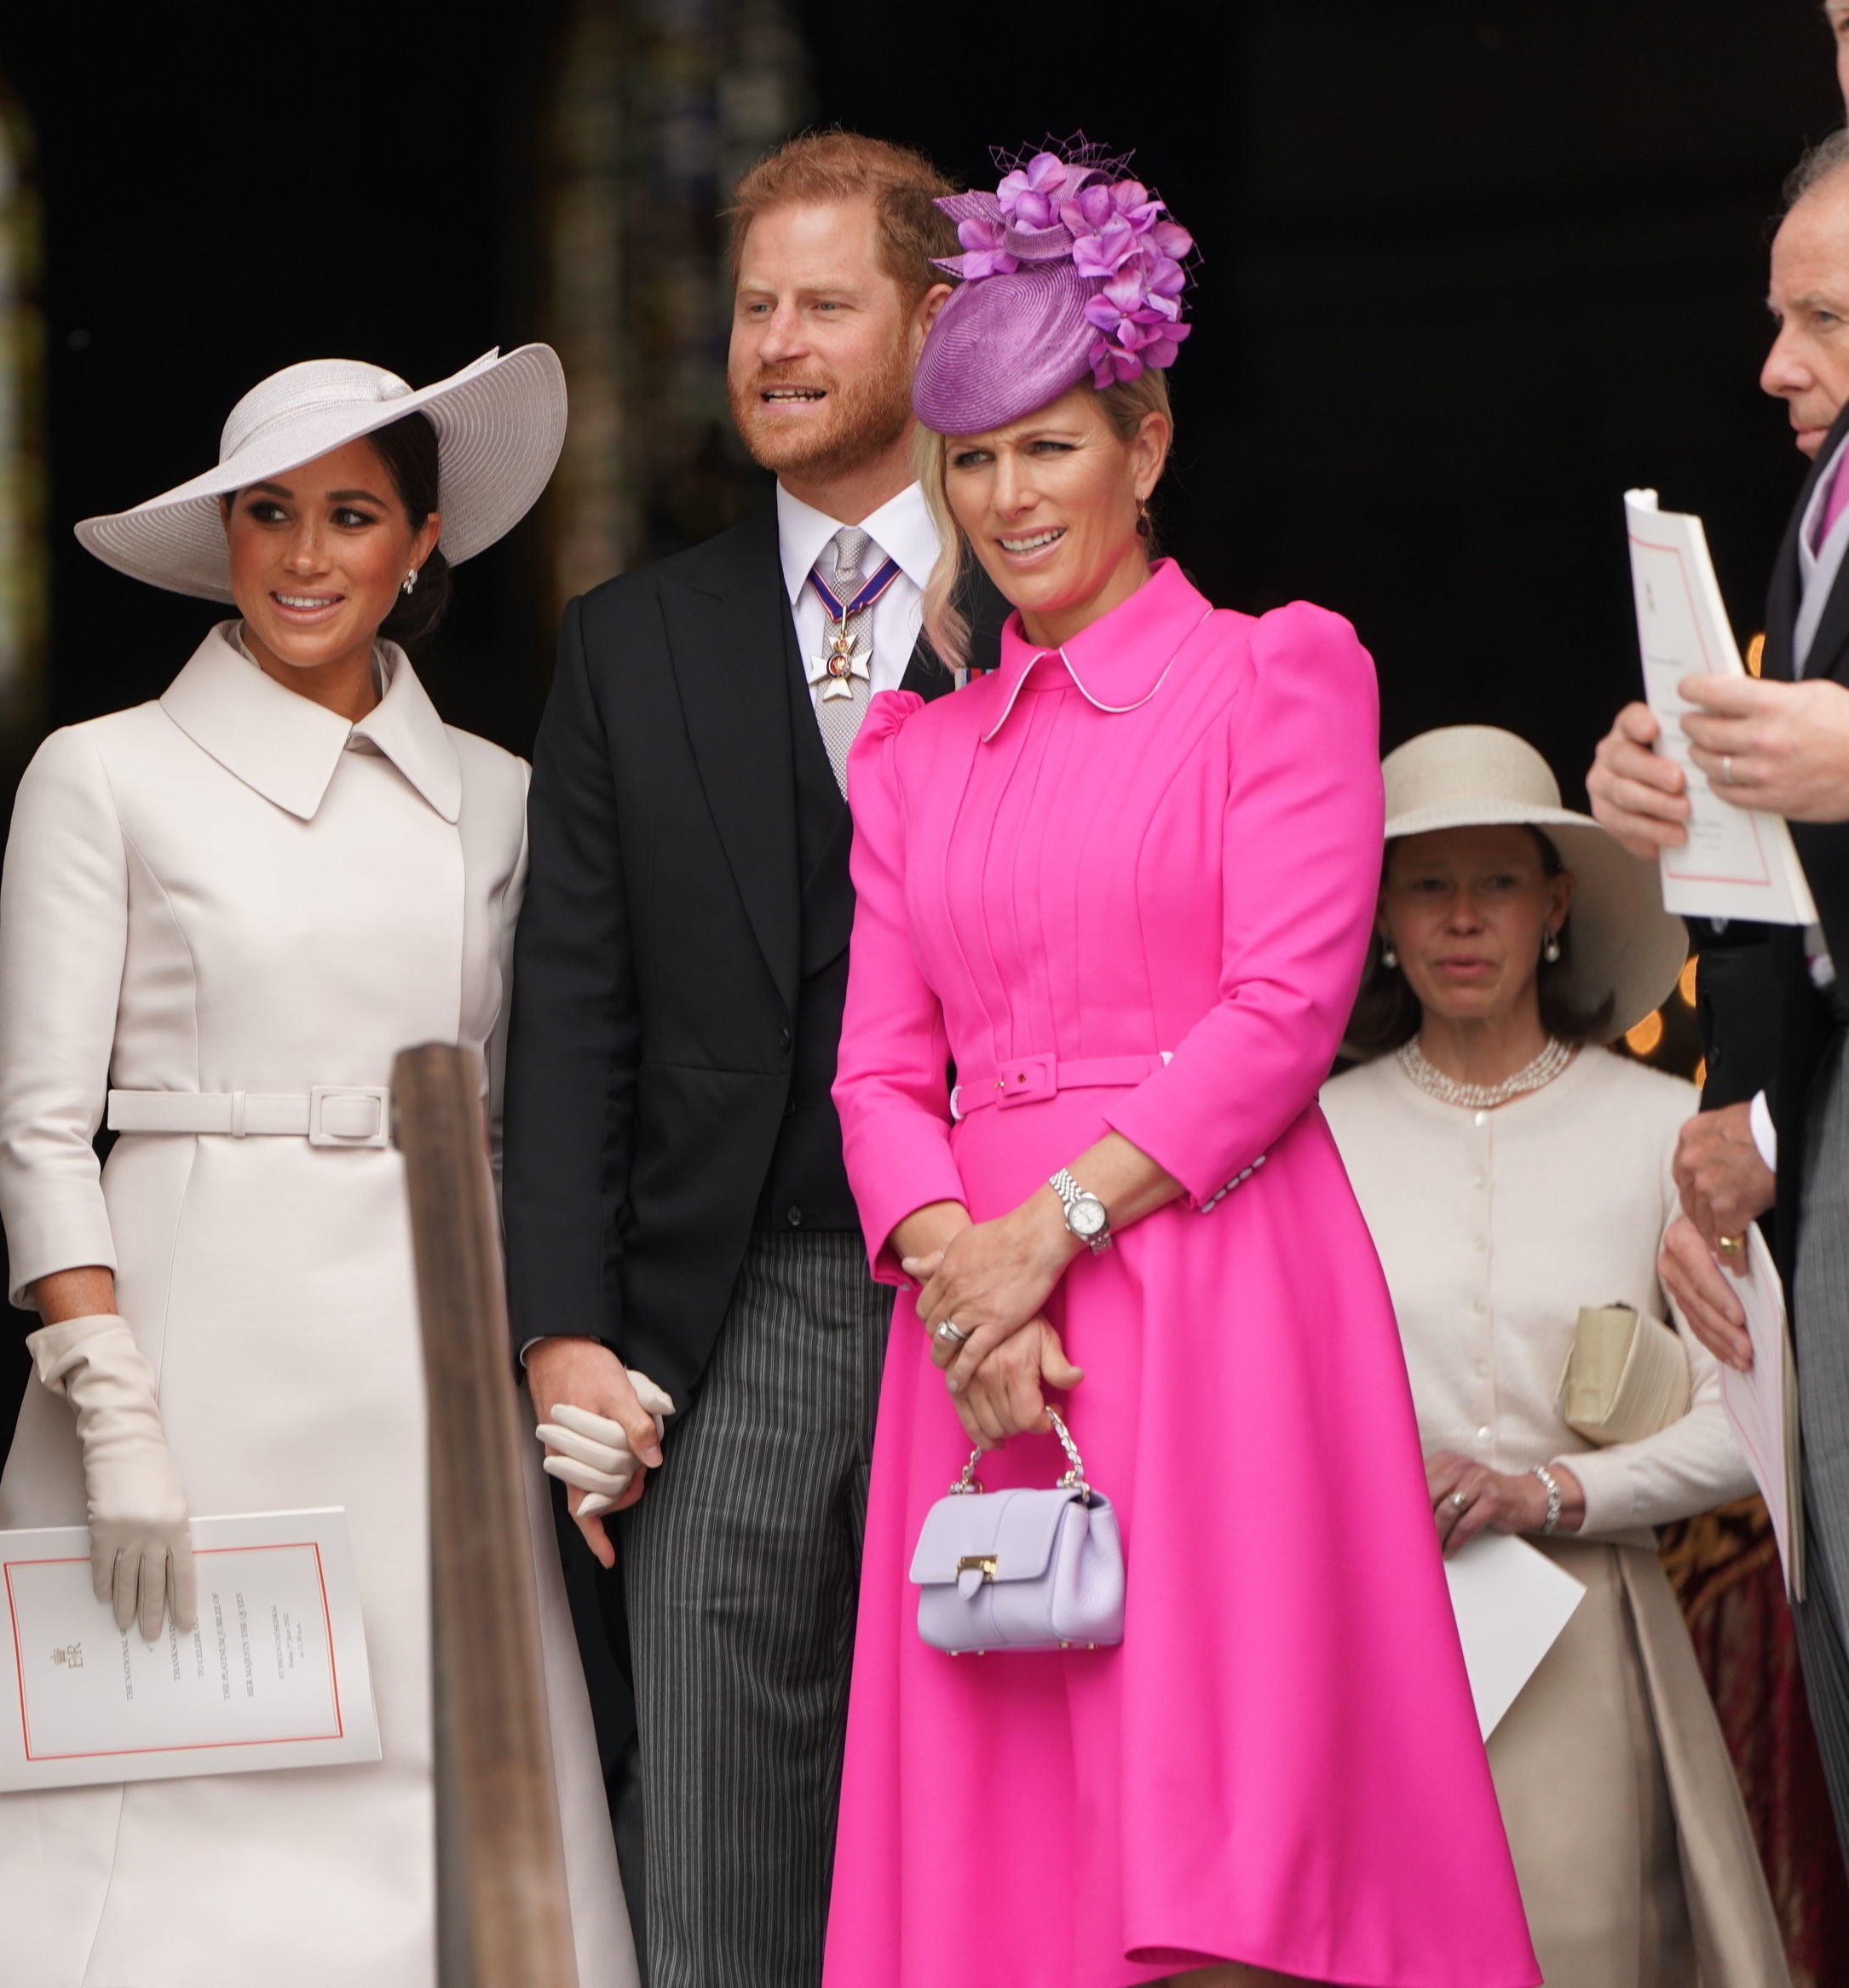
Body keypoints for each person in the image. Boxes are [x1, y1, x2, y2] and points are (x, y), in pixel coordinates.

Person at [823, 145, 1536, 1986]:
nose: (1005, 496)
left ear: (1142, 446)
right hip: (982, 1337)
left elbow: (1285, 1005)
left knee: (1237, 1840)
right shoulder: (907, 758)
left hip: (1211, 1288)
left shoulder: (1275, 677)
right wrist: (956, 1277)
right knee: (1010, 1860)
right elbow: (874, 1077)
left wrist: (1049, 1227)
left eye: (1047, 445)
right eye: (970, 460)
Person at [0, 348, 635, 1985]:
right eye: (270, 513)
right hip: (182, 1352)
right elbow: (35, 1126)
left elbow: (543, 1118)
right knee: (158, 1816)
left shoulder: (499, 803)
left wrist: (567, 1357)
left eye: (351, 514)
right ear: (224, 537)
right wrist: (113, 1408)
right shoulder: (105, 771)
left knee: (427, 1813)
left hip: (433, 1361)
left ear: (421, 540)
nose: (306, 556)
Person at [500, 129, 1007, 1982]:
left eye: (825, 304)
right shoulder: (629, 644)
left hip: (1008, 1299)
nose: (775, 343)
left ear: (935, 320)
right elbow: (569, 1013)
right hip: (735, 1312)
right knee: (712, 1826)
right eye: (752, 306)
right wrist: (561, 1323)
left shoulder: (1046, 599)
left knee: (1012, 1790)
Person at [1322, 725, 1781, 1985]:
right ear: (1379, 913)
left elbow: (1752, 1421)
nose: (1463, 918)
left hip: (1592, 1642)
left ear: (1558, 902)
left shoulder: (1666, 1131)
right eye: (1427, 882)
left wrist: (1555, 1492)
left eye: (1500, 881)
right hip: (1368, 1644)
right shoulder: (1313, 1134)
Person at [1587, 130, 1849, 1844]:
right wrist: (1673, 800)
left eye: (1821, 321)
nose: (1776, 366)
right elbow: (1792, 901)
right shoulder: (1814, 522)